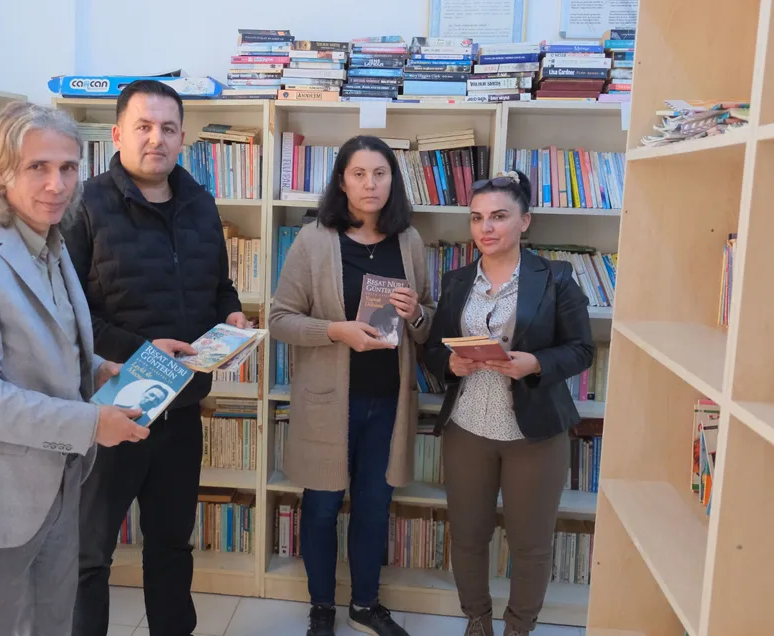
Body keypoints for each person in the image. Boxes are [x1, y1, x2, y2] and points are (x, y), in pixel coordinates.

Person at [0, 101, 151, 636]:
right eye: (38, 167)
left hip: (59, 482)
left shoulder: (51, 241)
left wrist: (95, 367)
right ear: (1, 172)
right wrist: (91, 423)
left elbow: (51, 339)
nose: (57, 184)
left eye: (68, 168)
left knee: (52, 624)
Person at [64, 79, 248, 636]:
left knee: (171, 546)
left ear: (182, 138)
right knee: (88, 555)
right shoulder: (84, 204)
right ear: (118, 134)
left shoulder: (200, 203)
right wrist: (139, 353)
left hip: (182, 408)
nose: (156, 139)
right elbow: (67, 315)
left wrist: (232, 315)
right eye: (143, 127)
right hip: (111, 408)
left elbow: (219, 285)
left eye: (168, 128)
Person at [269, 135, 435, 636]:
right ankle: (322, 606)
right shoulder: (314, 240)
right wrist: (334, 331)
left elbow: (427, 322)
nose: (370, 184)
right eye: (359, 174)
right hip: (328, 403)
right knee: (321, 507)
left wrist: (417, 313)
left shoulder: (409, 241)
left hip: (388, 403)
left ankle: (365, 604)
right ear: (341, 182)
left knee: (374, 508)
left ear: (392, 181)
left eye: (380, 173)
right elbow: (279, 319)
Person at [422, 170, 595, 636]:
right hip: (467, 428)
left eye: (499, 216)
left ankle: (519, 627)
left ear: (525, 221)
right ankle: (477, 620)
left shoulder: (555, 277)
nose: (486, 228)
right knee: (468, 535)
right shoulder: (457, 280)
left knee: (530, 543)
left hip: (533, 433)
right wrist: (449, 363)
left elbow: (582, 349)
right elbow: (433, 349)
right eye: (477, 218)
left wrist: (534, 363)